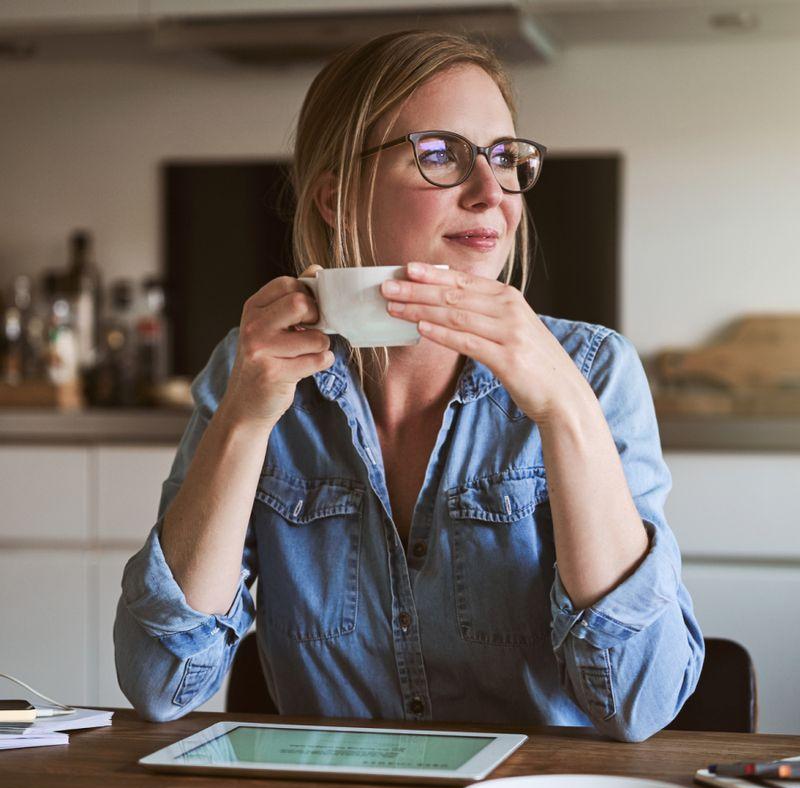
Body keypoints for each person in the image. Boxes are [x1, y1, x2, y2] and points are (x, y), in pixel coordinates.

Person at [114, 30, 704, 742]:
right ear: (335, 197)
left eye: (504, 158)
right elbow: (159, 685)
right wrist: (243, 422)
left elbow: (640, 703)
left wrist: (565, 408)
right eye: (439, 156)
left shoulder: (595, 370)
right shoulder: (250, 374)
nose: (492, 194)